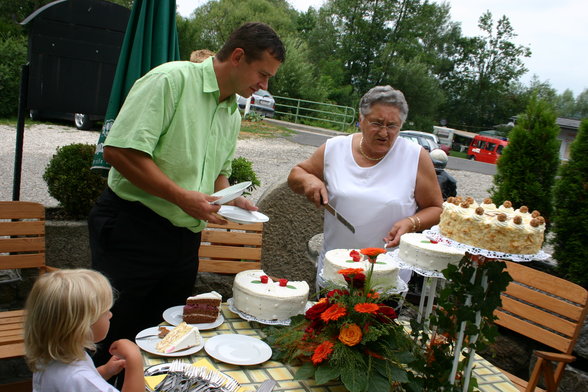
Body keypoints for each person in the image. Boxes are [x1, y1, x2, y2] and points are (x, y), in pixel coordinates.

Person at [88, 22, 285, 367]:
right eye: (263, 74)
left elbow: (217, 174)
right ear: (238, 56)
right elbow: (118, 151)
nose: (264, 86)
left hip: (183, 242)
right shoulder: (170, 80)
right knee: (112, 337)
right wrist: (180, 197)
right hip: (131, 230)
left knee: (163, 339)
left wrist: (228, 197)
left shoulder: (231, 112)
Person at [288, 85, 443, 290]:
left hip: (387, 274)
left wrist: (411, 222)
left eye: (392, 126)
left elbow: (437, 209)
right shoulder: (335, 148)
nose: (384, 132)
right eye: (377, 123)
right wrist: (310, 181)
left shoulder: (414, 156)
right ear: (361, 120)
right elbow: (296, 174)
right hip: (336, 272)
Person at [24, 269, 143, 392]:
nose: (110, 315)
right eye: (105, 312)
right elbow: (81, 382)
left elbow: (78, 385)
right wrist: (135, 360)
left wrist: (105, 371)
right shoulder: (78, 378)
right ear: (82, 326)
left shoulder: (49, 356)